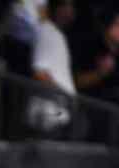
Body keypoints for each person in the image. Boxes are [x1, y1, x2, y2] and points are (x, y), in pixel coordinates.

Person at [27, 0, 75, 133]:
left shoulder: (58, 34)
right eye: (68, 5)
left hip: (60, 113)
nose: (72, 10)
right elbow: (39, 72)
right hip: (50, 113)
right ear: (58, 9)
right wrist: (62, 95)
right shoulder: (46, 30)